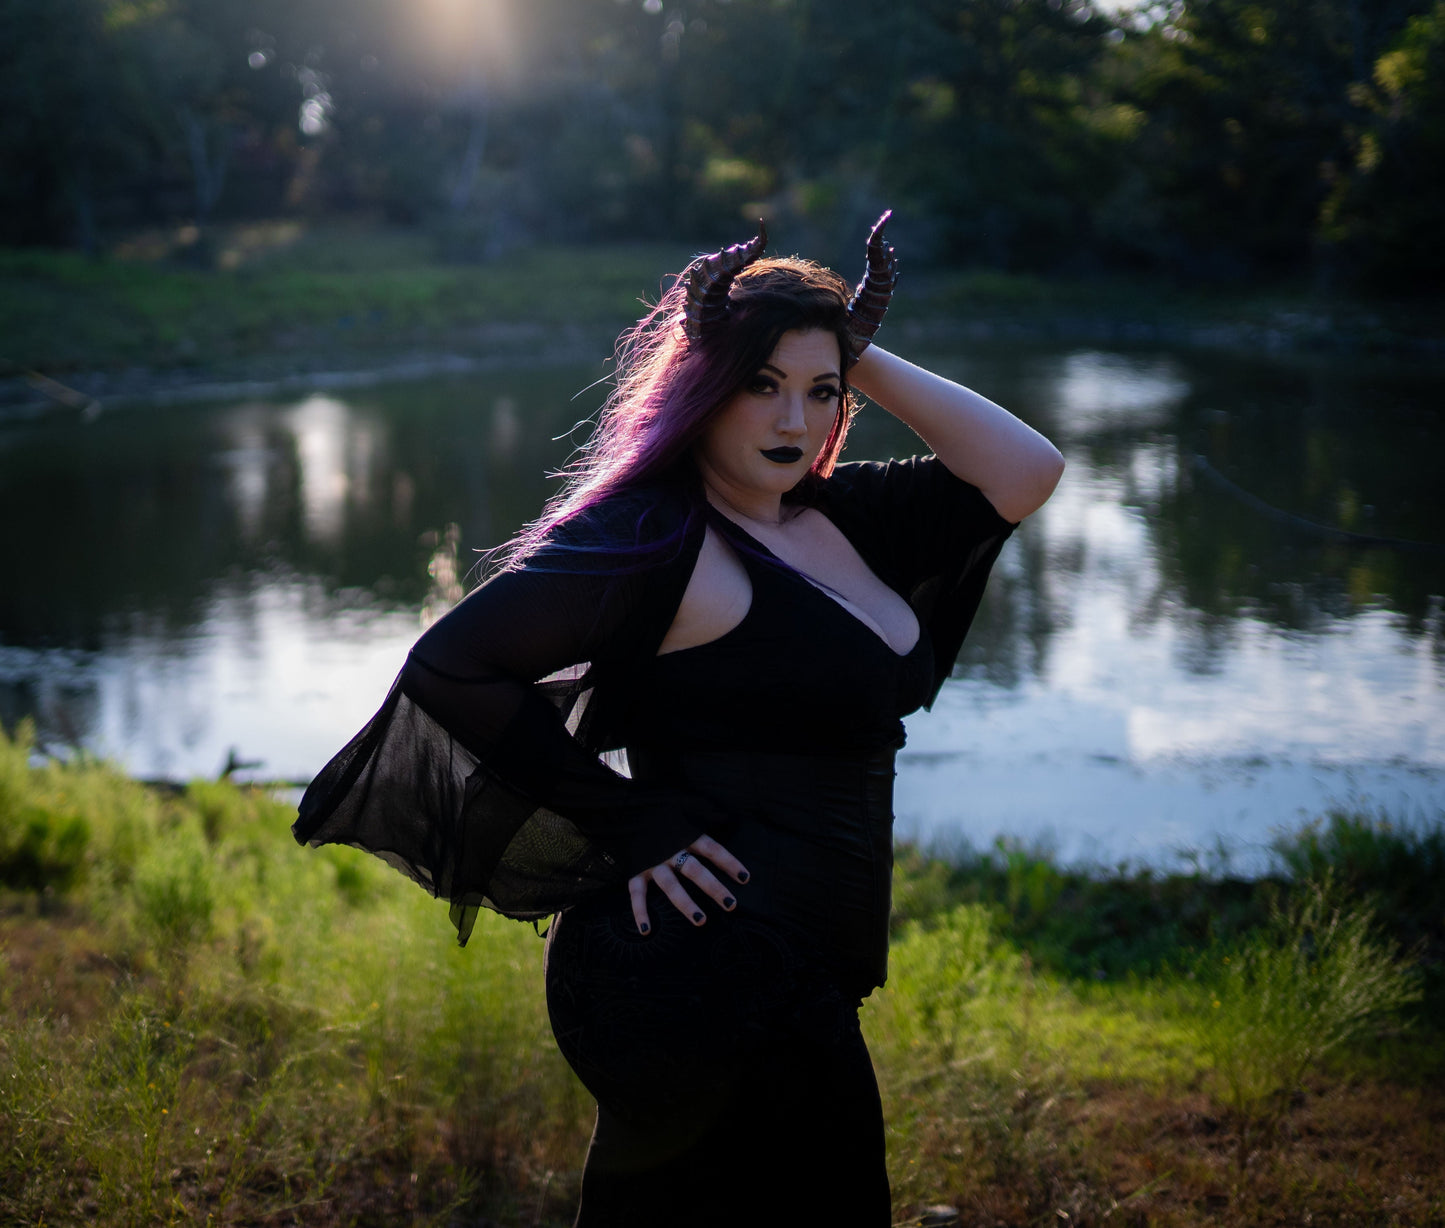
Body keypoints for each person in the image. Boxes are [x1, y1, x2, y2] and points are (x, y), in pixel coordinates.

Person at [294, 213, 1063, 1226]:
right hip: (691, 968)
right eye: (760, 385)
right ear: (704, 389)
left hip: (794, 973)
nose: (794, 418)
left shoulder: (836, 517)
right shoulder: (659, 537)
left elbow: (1024, 468)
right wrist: (628, 818)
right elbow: (452, 665)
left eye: (819, 393)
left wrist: (847, 344)